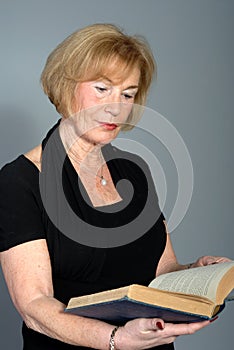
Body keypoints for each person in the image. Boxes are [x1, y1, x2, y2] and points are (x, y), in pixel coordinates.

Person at [0, 23, 230, 350]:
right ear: (66, 86)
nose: (116, 107)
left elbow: (162, 269)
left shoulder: (135, 170)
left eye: (128, 94)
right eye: (102, 88)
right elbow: (34, 306)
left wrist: (195, 272)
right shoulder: (19, 182)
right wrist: (116, 339)